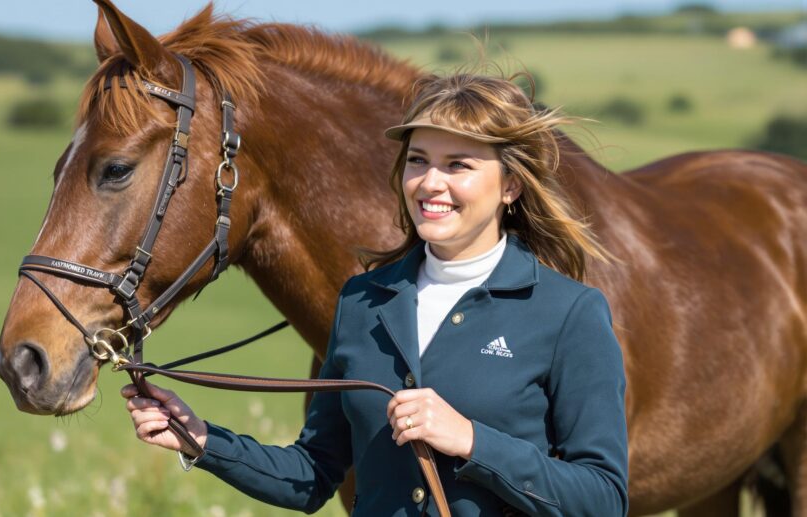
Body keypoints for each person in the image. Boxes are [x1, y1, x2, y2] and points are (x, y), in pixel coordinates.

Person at [122, 72, 629, 516]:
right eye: (418, 160)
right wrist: (201, 439)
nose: (430, 183)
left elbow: (603, 499)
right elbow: (313, 473)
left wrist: (472, 441)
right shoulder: (363, 301)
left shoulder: (569, 314)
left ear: (510, 187)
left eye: (458, 165)